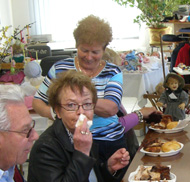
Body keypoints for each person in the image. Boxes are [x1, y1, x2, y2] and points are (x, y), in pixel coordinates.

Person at [33, 15, 128, 166]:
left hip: (107, 141)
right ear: (77, 45)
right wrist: (54, 112)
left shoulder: (113, 71)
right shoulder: (60, 68)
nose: (89, 57)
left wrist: (72, 104)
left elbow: (111, 108)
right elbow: (38, 101)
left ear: (104, 50)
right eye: (84, 50)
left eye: (95, 52)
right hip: (69, 144)